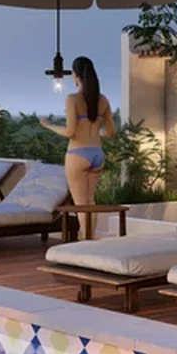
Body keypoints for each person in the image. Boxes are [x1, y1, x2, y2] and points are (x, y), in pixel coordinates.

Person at [40, 56, 115, 240]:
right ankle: (91, 239)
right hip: (97, 154)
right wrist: (95, 133)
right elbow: (111, 131)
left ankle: (86, 242)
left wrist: (48, 125)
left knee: (81, 203)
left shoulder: (73, 99)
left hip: (78, 154)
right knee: (90, 201)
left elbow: (69, 131)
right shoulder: (103, 100)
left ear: (75, 75)